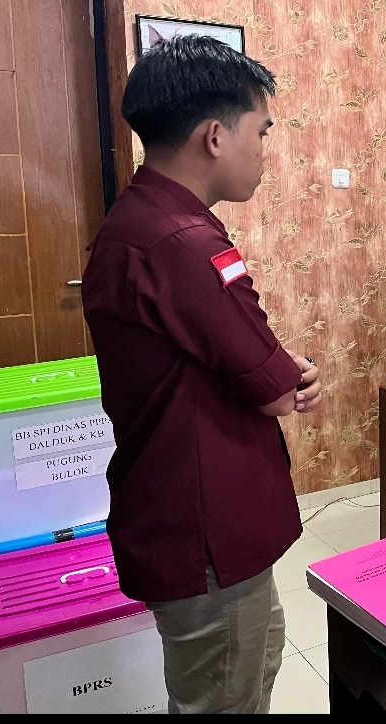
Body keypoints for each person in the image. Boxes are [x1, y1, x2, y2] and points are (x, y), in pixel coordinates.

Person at [81, 35, 322, 714]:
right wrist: (291, 374)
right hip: (202, 524)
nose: (264, 151)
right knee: (224, 695)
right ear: (215, 136)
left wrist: (277, 369)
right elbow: (276, 388)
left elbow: (227, 351)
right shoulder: (183, 242)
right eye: (261, 132)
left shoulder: (143, 220)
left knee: (251, 663)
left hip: (192, 511)